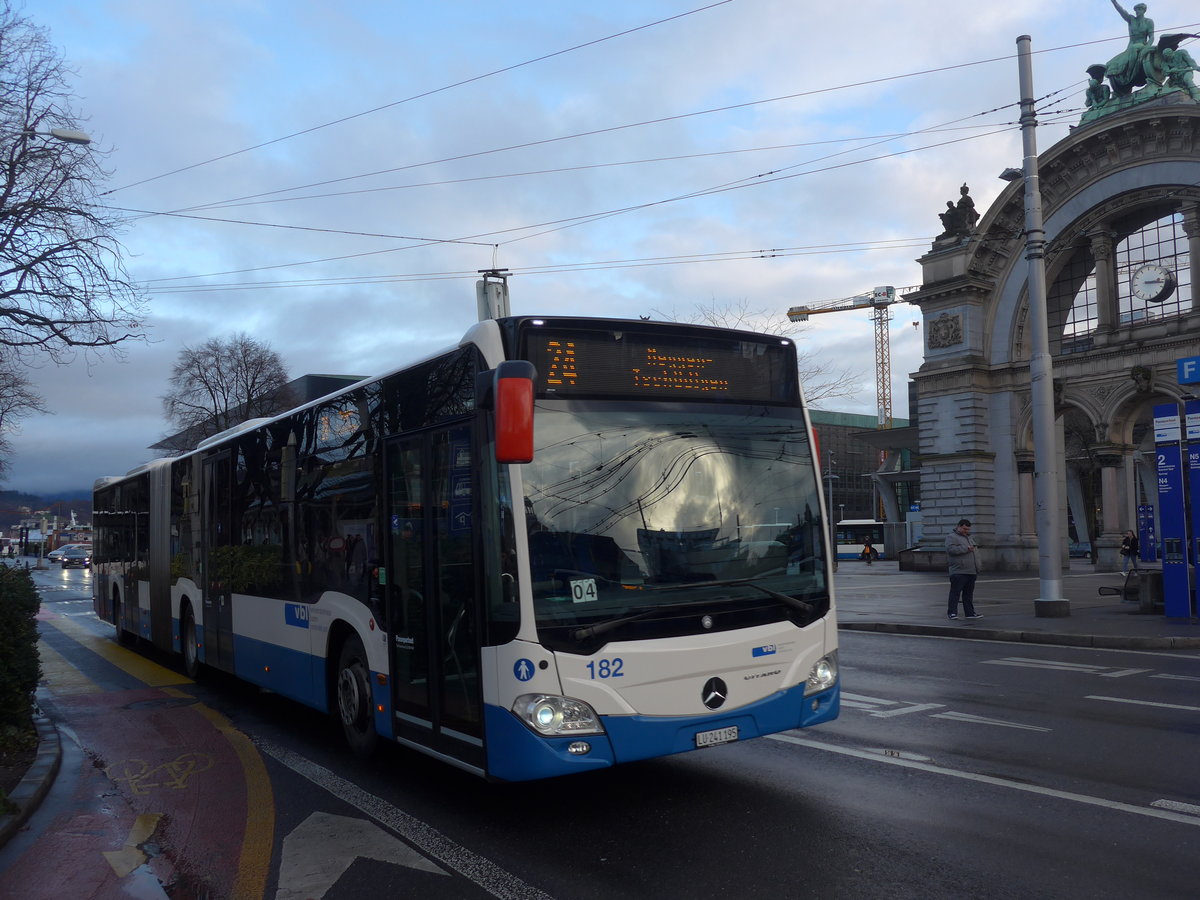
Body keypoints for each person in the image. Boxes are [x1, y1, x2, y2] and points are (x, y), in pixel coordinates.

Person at [945, 518, 982, 620]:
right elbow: (950, 550)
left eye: (968, 529)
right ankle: (952, 613)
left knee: (968, 594)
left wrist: (978, 566)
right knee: (955, 593)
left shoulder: (970, 538)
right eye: (964, 529)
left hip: (971, 571)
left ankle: (970, 613)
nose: (966, 531)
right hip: (958, 571)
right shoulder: (951, 537)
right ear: (959, 526)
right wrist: (966, 549)